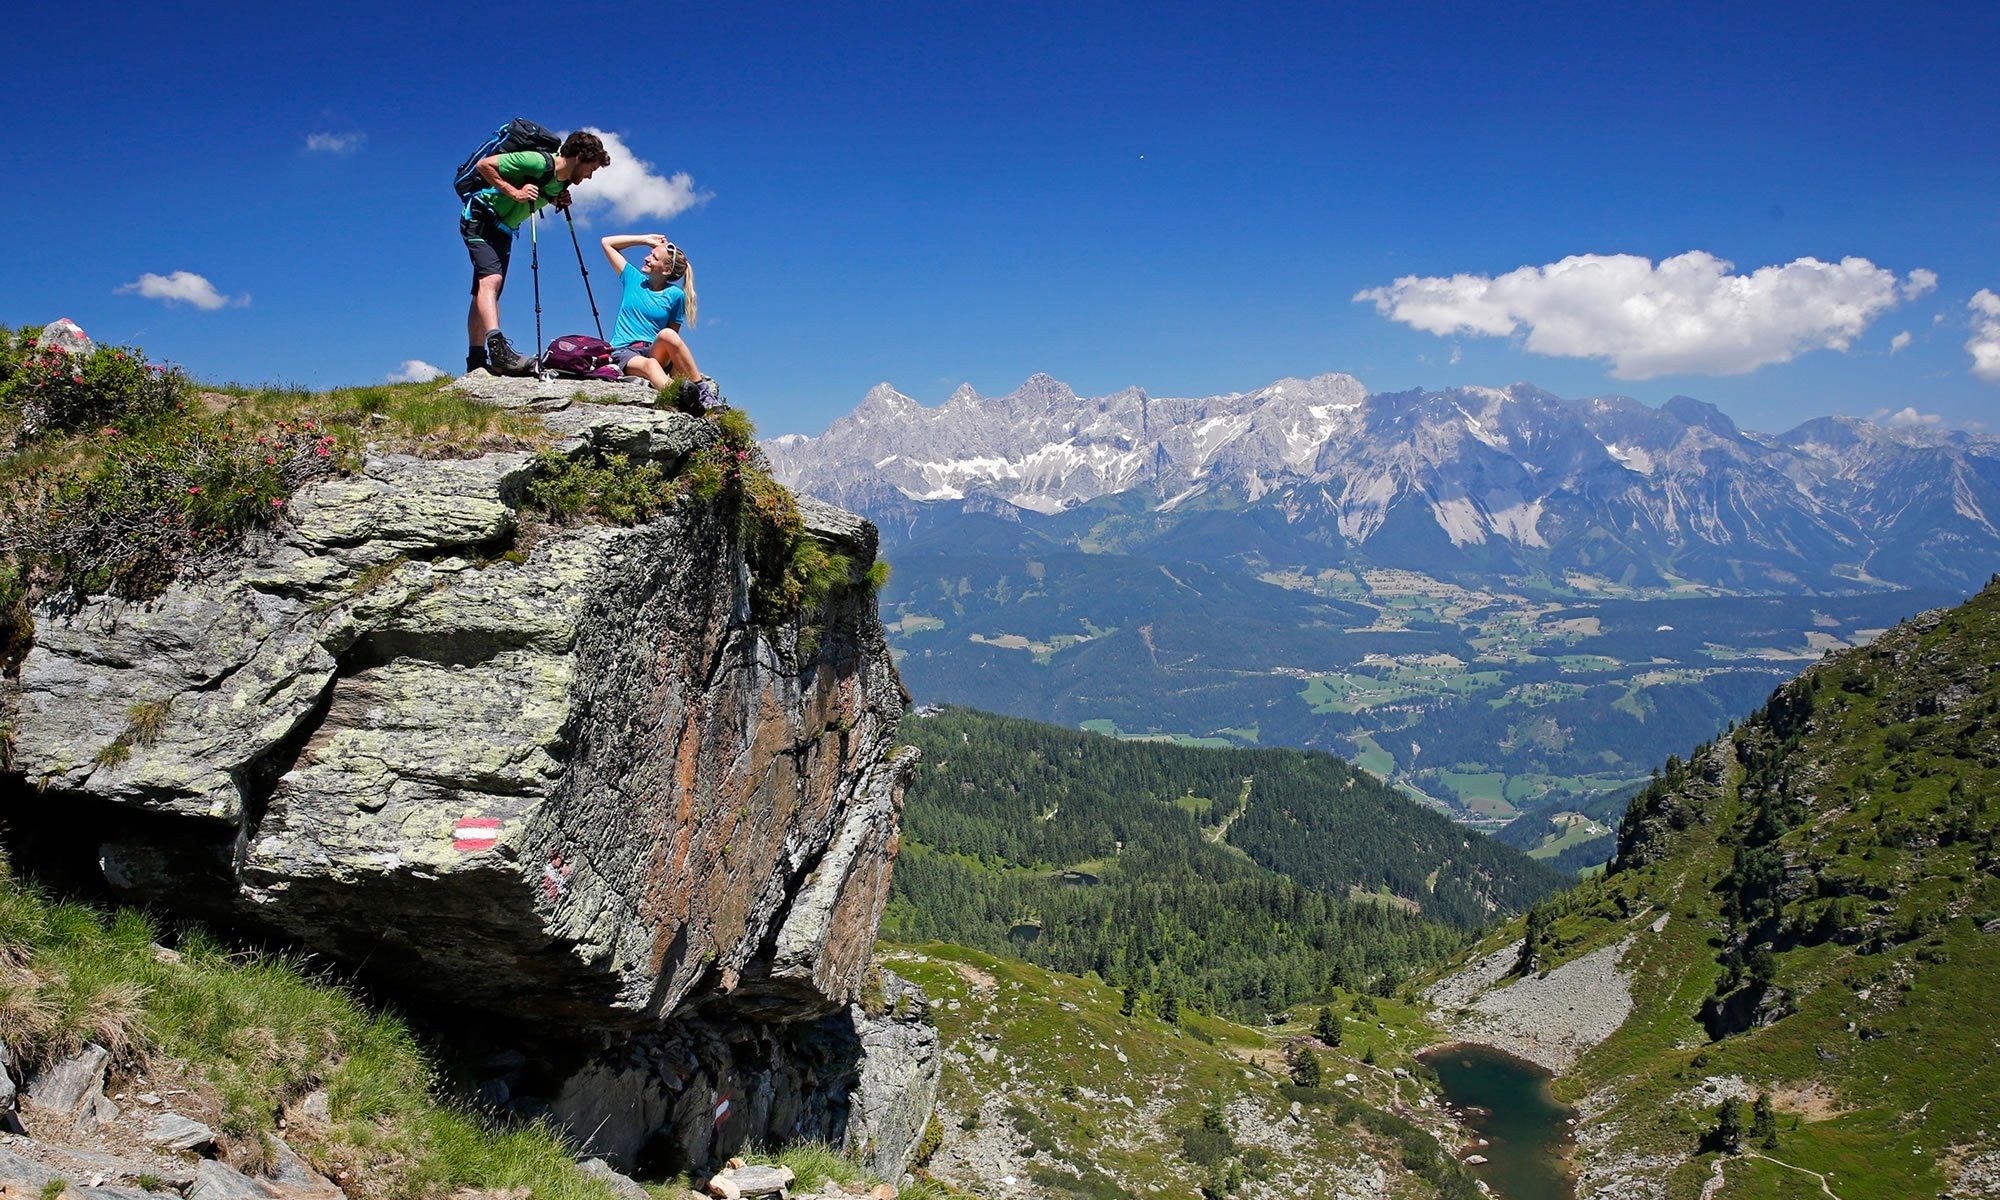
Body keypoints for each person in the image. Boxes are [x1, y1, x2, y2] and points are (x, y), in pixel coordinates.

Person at [462, 131, 612, 375]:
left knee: (485, 290)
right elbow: (484, 166)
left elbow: (541, 191)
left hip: (504, 228)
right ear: (578, 157)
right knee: (491, 281)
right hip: (480, 217)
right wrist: (514, 192)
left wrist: (555, 199)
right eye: (590, 169)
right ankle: (498, 351)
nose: (590, 176)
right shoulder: (537, 162)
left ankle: (476, 360)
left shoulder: (560, 181)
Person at [600, 233, 721, 409]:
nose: (647, 258)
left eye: (654, 257)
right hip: (625, 351)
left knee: (667, 335)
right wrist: (645, 240)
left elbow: (673, 338)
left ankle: (702, 391)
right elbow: (607, 243)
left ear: (666, 270)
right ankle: (683, 398)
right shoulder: (633, 279)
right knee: (651, 365)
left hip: (654, 351)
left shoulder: (675, 296)